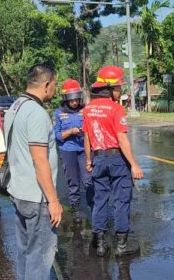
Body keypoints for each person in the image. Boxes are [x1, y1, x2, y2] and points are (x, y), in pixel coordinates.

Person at [2, 64, 66, 280]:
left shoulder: (15, 107)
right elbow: (40, 161)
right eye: (55, 85)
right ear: (46, 84)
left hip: (19, 191)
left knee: (26, 249)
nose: (56, 90)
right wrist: (54, 201)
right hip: (36, 195)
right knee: (41, 252)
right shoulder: (37, 114)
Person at [83, 66, 145, 257]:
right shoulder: (116, 109)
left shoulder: (88, 109)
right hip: (117, 159)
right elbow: (122, 139)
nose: (120, 91)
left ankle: (101, 245)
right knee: (121, 200)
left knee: (100, 200)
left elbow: (87, 137)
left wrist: (88, 160)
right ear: (109, 89)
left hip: (98, 159)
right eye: (118, 87)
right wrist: (134, 164)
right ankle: (122, 246)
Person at [53, 79, 93, 221]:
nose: (75, 102)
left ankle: (92, 206)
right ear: (65, 99)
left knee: (88, 179)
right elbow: (57, 135)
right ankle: (75, 208)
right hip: (67, 150)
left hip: (83, 149)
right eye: (72, 100)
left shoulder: (85, 111)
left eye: (77, 99)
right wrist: (71, 131)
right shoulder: (58, 113)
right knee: (73, 181)